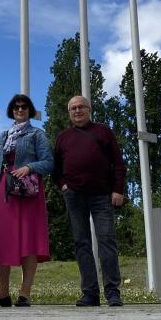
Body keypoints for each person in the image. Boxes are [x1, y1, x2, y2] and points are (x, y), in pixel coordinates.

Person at [53, 96, 126, 308]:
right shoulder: (63, 137)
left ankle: (112, 292)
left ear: (90, 109)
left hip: (103, 195)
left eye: (81, 107)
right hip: (74, 195)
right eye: (73, 108)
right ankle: (90, 293)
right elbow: (55, 168)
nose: (77, 111)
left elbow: (118, 163)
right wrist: (63, 186)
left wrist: (117, 190)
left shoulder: (104, 131)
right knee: (82, 243)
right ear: (69, 112)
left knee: (107, 241)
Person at [0, 94, 54, 307]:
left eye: (24, 106)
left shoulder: (37, 134)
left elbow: (49, 163)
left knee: (29, 239)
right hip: (3, 190)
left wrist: (30, 167)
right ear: (11, 111)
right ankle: (3, 293)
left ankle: (25, 293)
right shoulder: (3, 137)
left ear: (30, 110)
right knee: (1, 239)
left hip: (28, 192)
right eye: (16, 107)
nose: (20, 109)